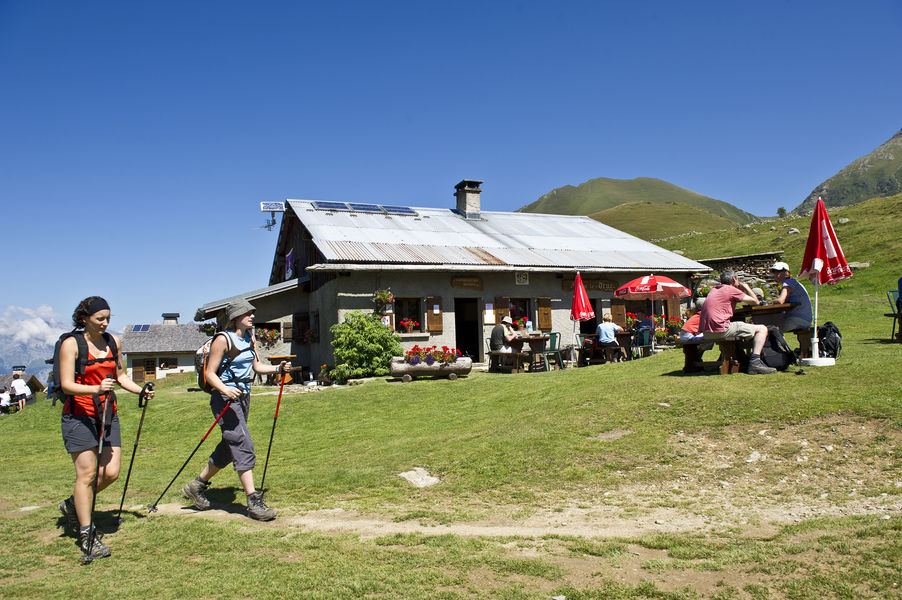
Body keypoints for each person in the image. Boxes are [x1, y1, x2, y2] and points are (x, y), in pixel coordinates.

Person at [57, 296, 154, 560]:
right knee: (87, 476)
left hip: (108, 414)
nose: (105, 323)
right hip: (79, 416)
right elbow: (66, 384)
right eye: (100, 318)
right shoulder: (71, 344)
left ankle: (73, 505)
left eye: (108, 318)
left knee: (111, 472)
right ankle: (87, 534)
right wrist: (95, 388)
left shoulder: (113, 342)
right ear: (84, 318)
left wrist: (140, 390)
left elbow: (120, 376)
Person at [181, 299, 289, 521]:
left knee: (230, 446)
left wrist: (278, 368)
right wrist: (226, 390)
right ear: (236, 317)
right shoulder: (223, 339)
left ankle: (196, 485)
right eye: (247, 313)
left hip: (243, 397)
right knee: (242, 443)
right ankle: (253, 501)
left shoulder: (250, 337)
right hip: (224, 399)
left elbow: (256, 366)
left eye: (252, 313)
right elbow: (210, 373)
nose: (252, 316)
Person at [699, 270, 776, 375]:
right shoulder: (731, 289)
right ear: (734, 279)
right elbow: (756, 302)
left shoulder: (714, 290)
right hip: (720, 330)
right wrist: (746, 288)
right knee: (762, 329)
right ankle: (755, 362)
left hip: (706, 333)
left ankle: (742, 358)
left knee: (739, 325)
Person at [769, 262, 813, 332]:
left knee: (770, 328)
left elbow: (780, 301)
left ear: (787, 273)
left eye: (779, 271)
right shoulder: (793, 282)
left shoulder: (788, 282)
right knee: (773, 325)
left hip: (798, 319)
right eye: (774, 272)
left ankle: (780, 343)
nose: (776, 274)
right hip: (805, 319)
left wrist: (767, 302)